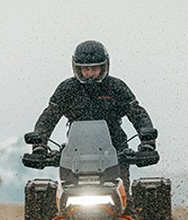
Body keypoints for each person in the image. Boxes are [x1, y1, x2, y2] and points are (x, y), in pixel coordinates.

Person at [30, 40, 156, 185]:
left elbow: (137, 113)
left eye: (94, 69)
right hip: (75, 156)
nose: (89, 74)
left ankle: (128, 205)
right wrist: (39, 145)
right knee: (57, 197)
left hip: (115, 154)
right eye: (85, 69)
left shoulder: (116, 87)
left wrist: (147, 141)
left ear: (104, 67)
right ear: (77, 69)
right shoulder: (67, 90)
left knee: (124, 195)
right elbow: (49, 117)